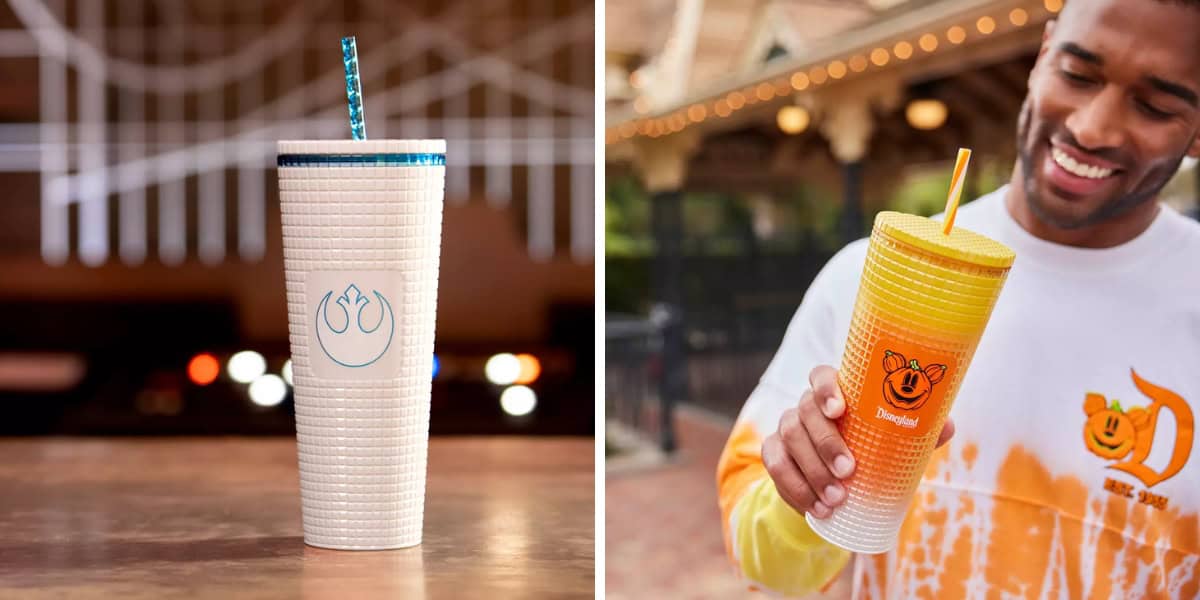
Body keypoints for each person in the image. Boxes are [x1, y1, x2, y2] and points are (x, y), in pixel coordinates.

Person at [716, 0, 1200, 597]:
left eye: (1155, 107)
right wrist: (802, 495)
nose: (1091, 128)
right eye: (1077, 74)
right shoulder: (873, 277)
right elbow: (764, 566)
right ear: (1043, 55)